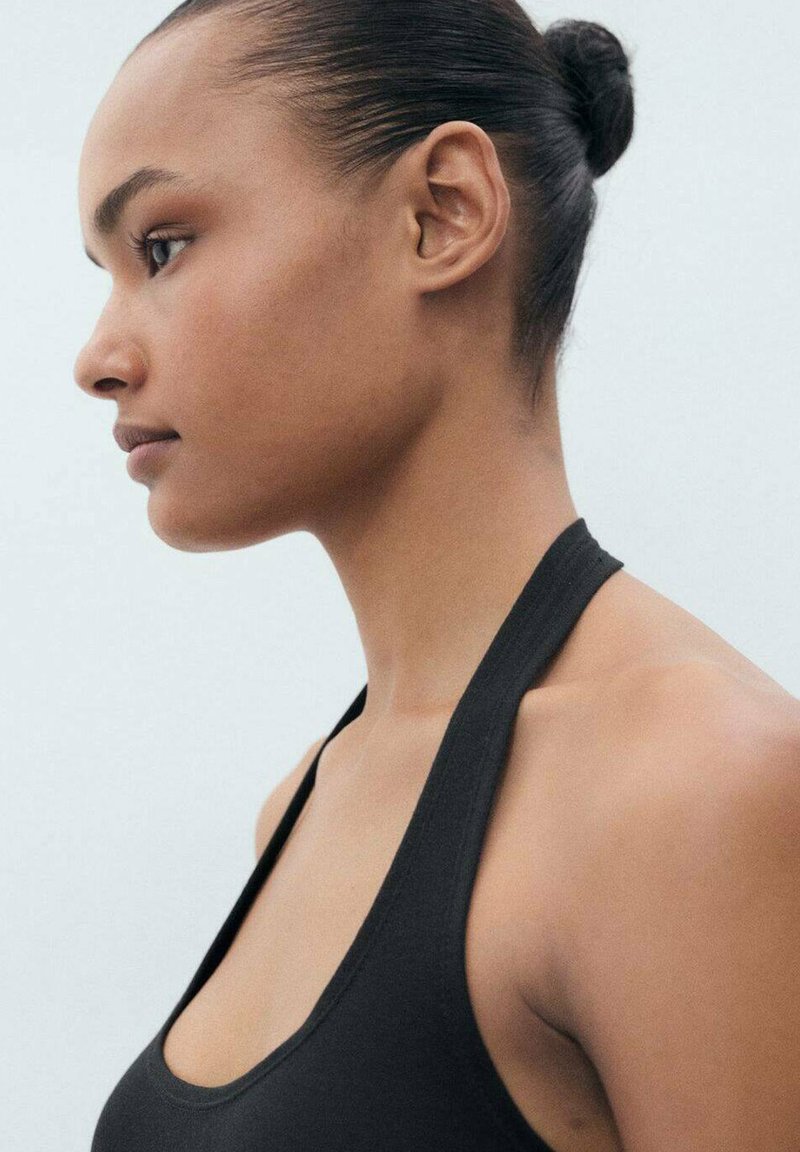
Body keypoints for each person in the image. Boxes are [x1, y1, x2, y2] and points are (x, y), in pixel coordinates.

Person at [74, 2, 800, 1150]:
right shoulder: (303, 804)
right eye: (108, 272)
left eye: (161, 248)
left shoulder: (690, 785)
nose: (97, 359)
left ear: (441, 214)